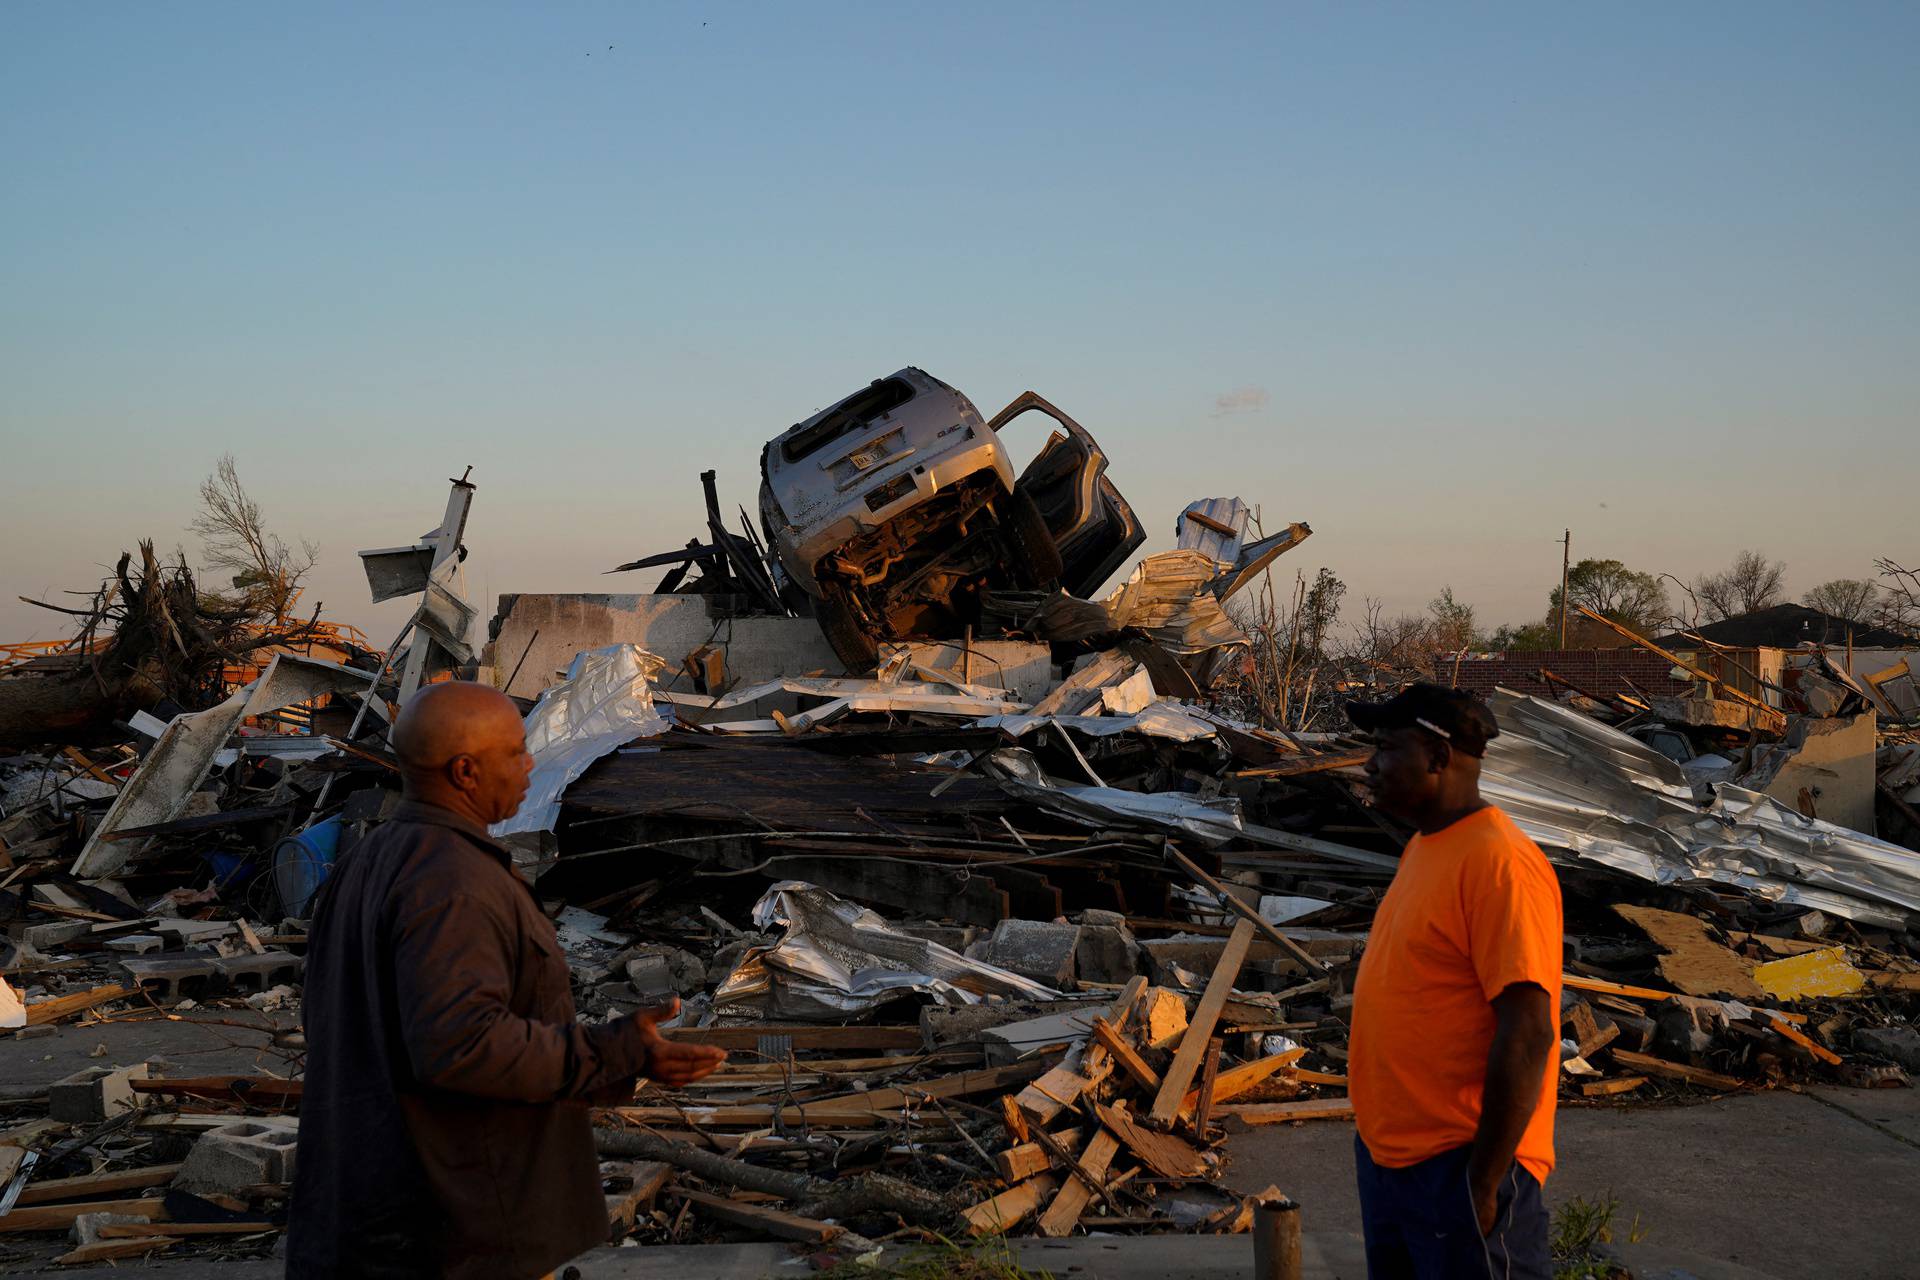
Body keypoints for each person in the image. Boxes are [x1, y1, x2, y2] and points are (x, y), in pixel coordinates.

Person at [289, 681, 725, 1279]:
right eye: (517, 752)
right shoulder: (452, 881)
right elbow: (461, 1047)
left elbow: (330, 1022)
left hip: (374, 1205)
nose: (529, 765)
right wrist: (617, 1051)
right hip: (451, 1228)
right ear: (466, 770)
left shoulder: (370, 859)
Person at [1344, 683, 1561, 1279]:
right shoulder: (1427, 846)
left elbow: (1528, 1034)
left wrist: (1484, 1185)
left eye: (1386, 748)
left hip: (1458, 1168)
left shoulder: (1500, 864)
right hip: (1394, 1162)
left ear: (1438, 758)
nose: (1370, 764)